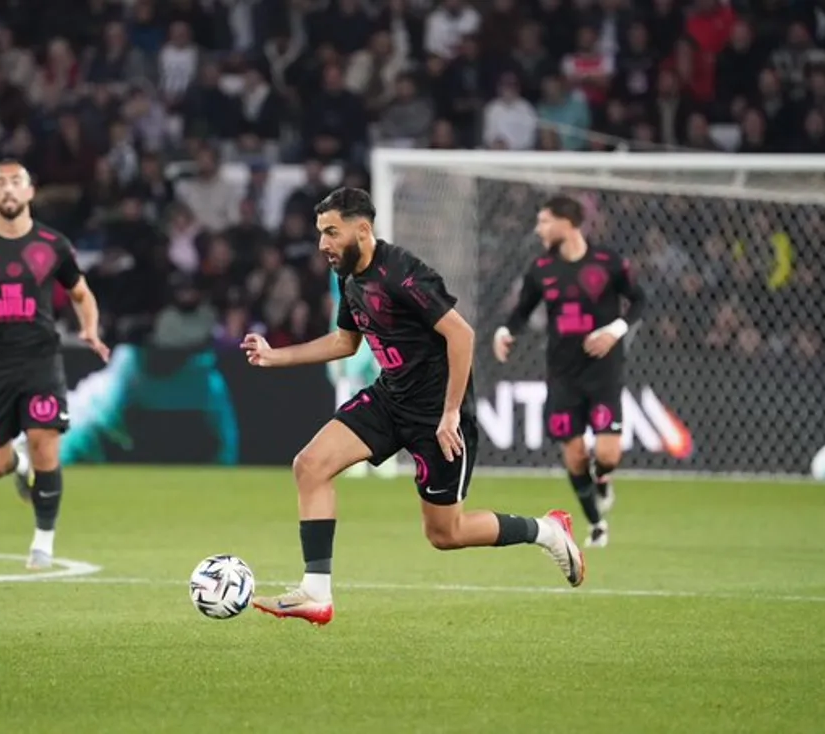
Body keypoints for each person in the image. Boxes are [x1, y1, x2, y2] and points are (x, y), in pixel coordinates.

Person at [241, 187, 585, 626]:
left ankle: (547, 530)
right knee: (309, 465)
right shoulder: (348, 276)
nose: (322, 243)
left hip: (436, 414)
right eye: (320, 233)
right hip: (390, 397)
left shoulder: (403, 274)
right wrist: (277, 355)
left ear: (362, 230)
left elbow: (462, 336)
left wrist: (449, 415)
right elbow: (346, 342)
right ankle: (315, 593)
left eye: (331, 232)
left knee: (446, 534)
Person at [0, 160, 110, 569]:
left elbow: (81, 294)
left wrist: (90, 329)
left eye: (17, 183)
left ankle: (43, 544)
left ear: (30, 192)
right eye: (1, 183)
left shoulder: (53, 244)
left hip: (40, 358)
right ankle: (17, 463)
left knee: (45, 440)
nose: (9, 190)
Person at [493, 195, 647, 548]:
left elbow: (639, 299)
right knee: (575, 453)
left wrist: (615, 330)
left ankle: (604, 477)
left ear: (568, 223)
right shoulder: (541, 269)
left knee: (607, 455)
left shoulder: (608, 262)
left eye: (545, 221)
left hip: (604, 371)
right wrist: (506, 332)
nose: (539, 228)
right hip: (562, 374)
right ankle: (596, 524)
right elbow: (521, 310)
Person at [326, 268, 397, 479]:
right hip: (351, 325)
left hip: (373, 326)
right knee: (348, 390)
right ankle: (352, 459)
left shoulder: (381, 263)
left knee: (380, 391)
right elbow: (336, 297)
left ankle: (383, 459)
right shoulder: (338, 265)